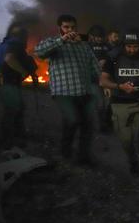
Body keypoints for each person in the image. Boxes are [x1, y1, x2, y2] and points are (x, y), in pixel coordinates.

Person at [35, 14, 101, 166]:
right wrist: (62, 40)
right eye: (66, 27)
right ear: (60, 28)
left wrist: (99, 81)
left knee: (88, 125)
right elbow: (39, 52)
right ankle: (65, 154)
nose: (70, 30)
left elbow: (94, 66)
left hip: (84, 91)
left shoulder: (83, 46)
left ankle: (83, 158)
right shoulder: (53, 42)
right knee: (72, 120)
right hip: (63, 93)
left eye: (72, 27)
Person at [100, 28, 139, 176]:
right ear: (124, 45)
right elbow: (102, 80)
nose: (132, 50)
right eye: (129, 46)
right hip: (120, 104)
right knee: (126, 140)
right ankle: (132, 161)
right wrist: (119, 86)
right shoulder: (113, 57)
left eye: (136, 46)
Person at [0, 23, 37, 149]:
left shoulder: (10, 44)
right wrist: (24, 72)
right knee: (13, 110)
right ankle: (8, 142)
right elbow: (9, 59)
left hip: (10, 82)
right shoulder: (16, 44)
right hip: (10, 82)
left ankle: (17, 137)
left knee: (17, 109)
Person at [87, 25, 112, 132]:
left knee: (109, 103)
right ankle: (102, 126)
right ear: (92, 36)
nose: (99, 39)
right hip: (93, 80)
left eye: (101, 37)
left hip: (107, 80)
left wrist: (105, 61)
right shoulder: (86, 46)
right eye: (97, 37)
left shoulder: (107, 47)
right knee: (100, 104)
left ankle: (106, 124)